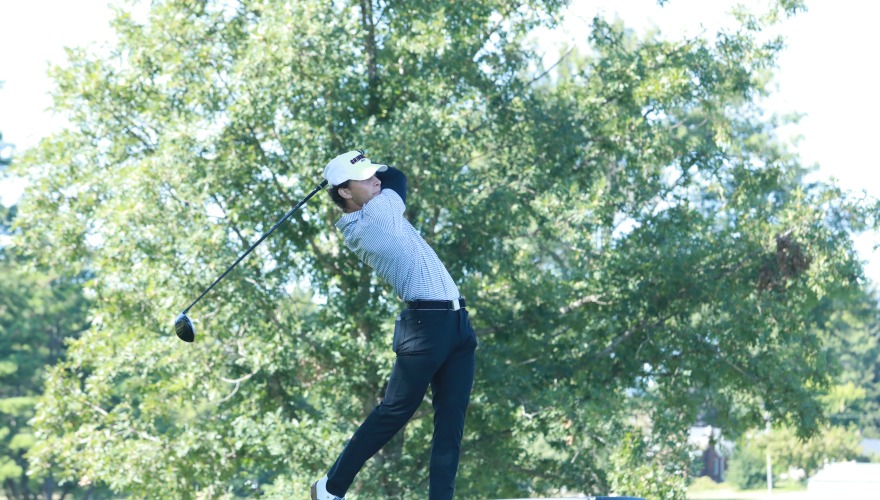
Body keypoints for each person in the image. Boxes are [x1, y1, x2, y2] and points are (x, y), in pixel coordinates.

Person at [311, 150, 478, 500]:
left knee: (452, 422)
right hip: (427, 325)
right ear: (344, 192)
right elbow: (397, 176)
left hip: (456, 324)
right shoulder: (375, 217)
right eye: (366, 178)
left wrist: (357, 167)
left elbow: (389, 178)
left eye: (374, 174)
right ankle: (331, 488)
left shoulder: (372, 206)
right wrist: (362, 165)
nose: (376, 180)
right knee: (394, 411)